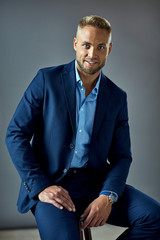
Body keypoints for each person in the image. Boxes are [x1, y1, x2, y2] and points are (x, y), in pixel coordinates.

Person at [6, 15, 160, 240]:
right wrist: (41, 187)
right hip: (52, 185)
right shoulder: (46, 80)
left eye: (100, 47)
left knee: (155, 219)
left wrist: (107, 196)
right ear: (76, 44)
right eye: (86, 45)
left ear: (109, 49)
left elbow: (121, 157)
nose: (92, 54)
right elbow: (15, 134)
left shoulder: (117, 97)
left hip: (95, 186)